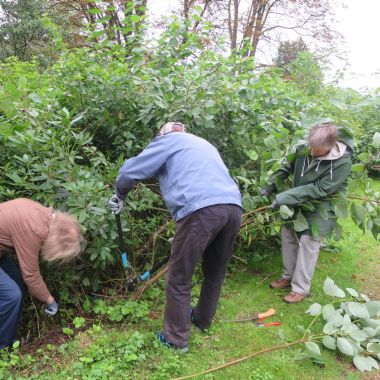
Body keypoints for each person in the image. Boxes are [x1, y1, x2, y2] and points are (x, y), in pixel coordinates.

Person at [109, 122, 242, 352]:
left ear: (163, 134)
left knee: (179, 277)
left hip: (200, 209)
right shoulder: (203, 143)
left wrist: (119, 194)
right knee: (215, 272)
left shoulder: (168, 141)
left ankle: (176, 340)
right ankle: (202, 319)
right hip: (233, 207)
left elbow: (131, 171)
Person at [262, 122, 353, 303]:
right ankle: (288, 276)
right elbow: (287, 167)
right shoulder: (304, 149)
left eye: (318, 150)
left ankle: (300, 289)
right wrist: (271, 186)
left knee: (309, 242)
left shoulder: (342, 162)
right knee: (287, 233)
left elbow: (319, 189)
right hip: (297, 201)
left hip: (323, 207)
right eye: (311, 147)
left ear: (331, 145)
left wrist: (283, 197)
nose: (312, 152)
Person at [0, 198, 83, 349]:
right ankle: (3, 347)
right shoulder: (34, 230)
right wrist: (50, 300)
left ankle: (9, 335)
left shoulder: (42, 214)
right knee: (12, 296)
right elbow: (31, 275)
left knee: (18, 284)